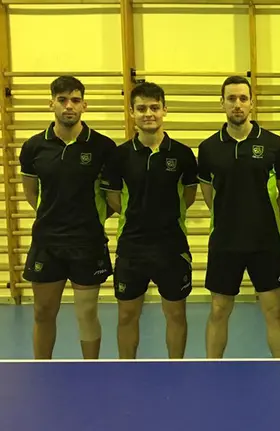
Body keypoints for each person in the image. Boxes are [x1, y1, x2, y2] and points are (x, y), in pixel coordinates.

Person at [19, 75, 116, 359]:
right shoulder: (34, 147)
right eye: (62, 100)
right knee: (43, 311)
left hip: (88, 242)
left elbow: (111, 200)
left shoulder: (103, 147)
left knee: (87, 313)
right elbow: (31, 193)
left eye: (75, 100)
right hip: (48, 243)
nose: (68, 106)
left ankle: (91, 370)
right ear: (52, 104)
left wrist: (91, 219)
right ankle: (42, 368)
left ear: (84, 105)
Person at [198, 75, 280, 358]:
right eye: (231, 99)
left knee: (274, 310)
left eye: (242, 98)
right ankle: (212, 368)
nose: (237, 105)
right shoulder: (208, 148)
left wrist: (267, 221)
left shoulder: (275, 144)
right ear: (222, 104)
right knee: (218, 309)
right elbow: (208, 193)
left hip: (265, 242)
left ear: (252, 102)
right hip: (225, 242)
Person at [101, 82, 198, 359]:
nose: (148, 114)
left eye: (154, 107)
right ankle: (126, 368)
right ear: (132, 112)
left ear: (164, 110)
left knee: (176, 314)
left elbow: (188, 196)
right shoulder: (119, 156)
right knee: (127, 315)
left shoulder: (182, 155)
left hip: (172, 246)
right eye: (141, 108)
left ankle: (176, 368)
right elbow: (113, 199)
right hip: (132, 247)